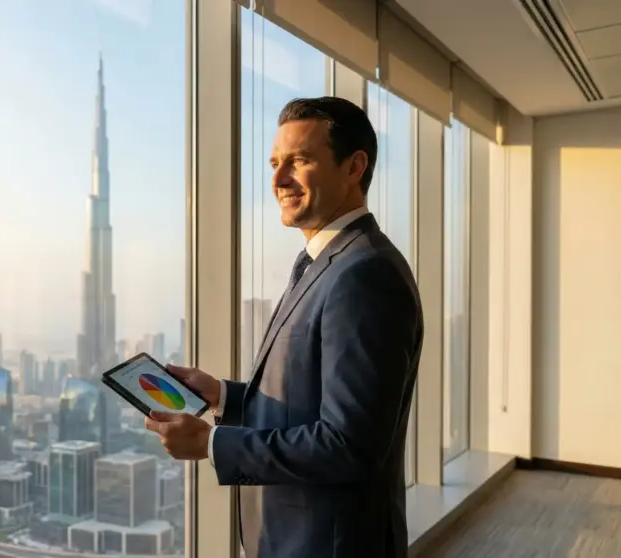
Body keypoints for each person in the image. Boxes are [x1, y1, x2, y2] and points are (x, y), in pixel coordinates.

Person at [144, 96, 423, 558]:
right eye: (275, 162)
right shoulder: (323, 263)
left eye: (299, 161)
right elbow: (308, 400)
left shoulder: (365, 274)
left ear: (355, 167)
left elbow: (348, 444)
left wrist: (213, 443)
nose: (277, 179)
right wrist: (222, 396)